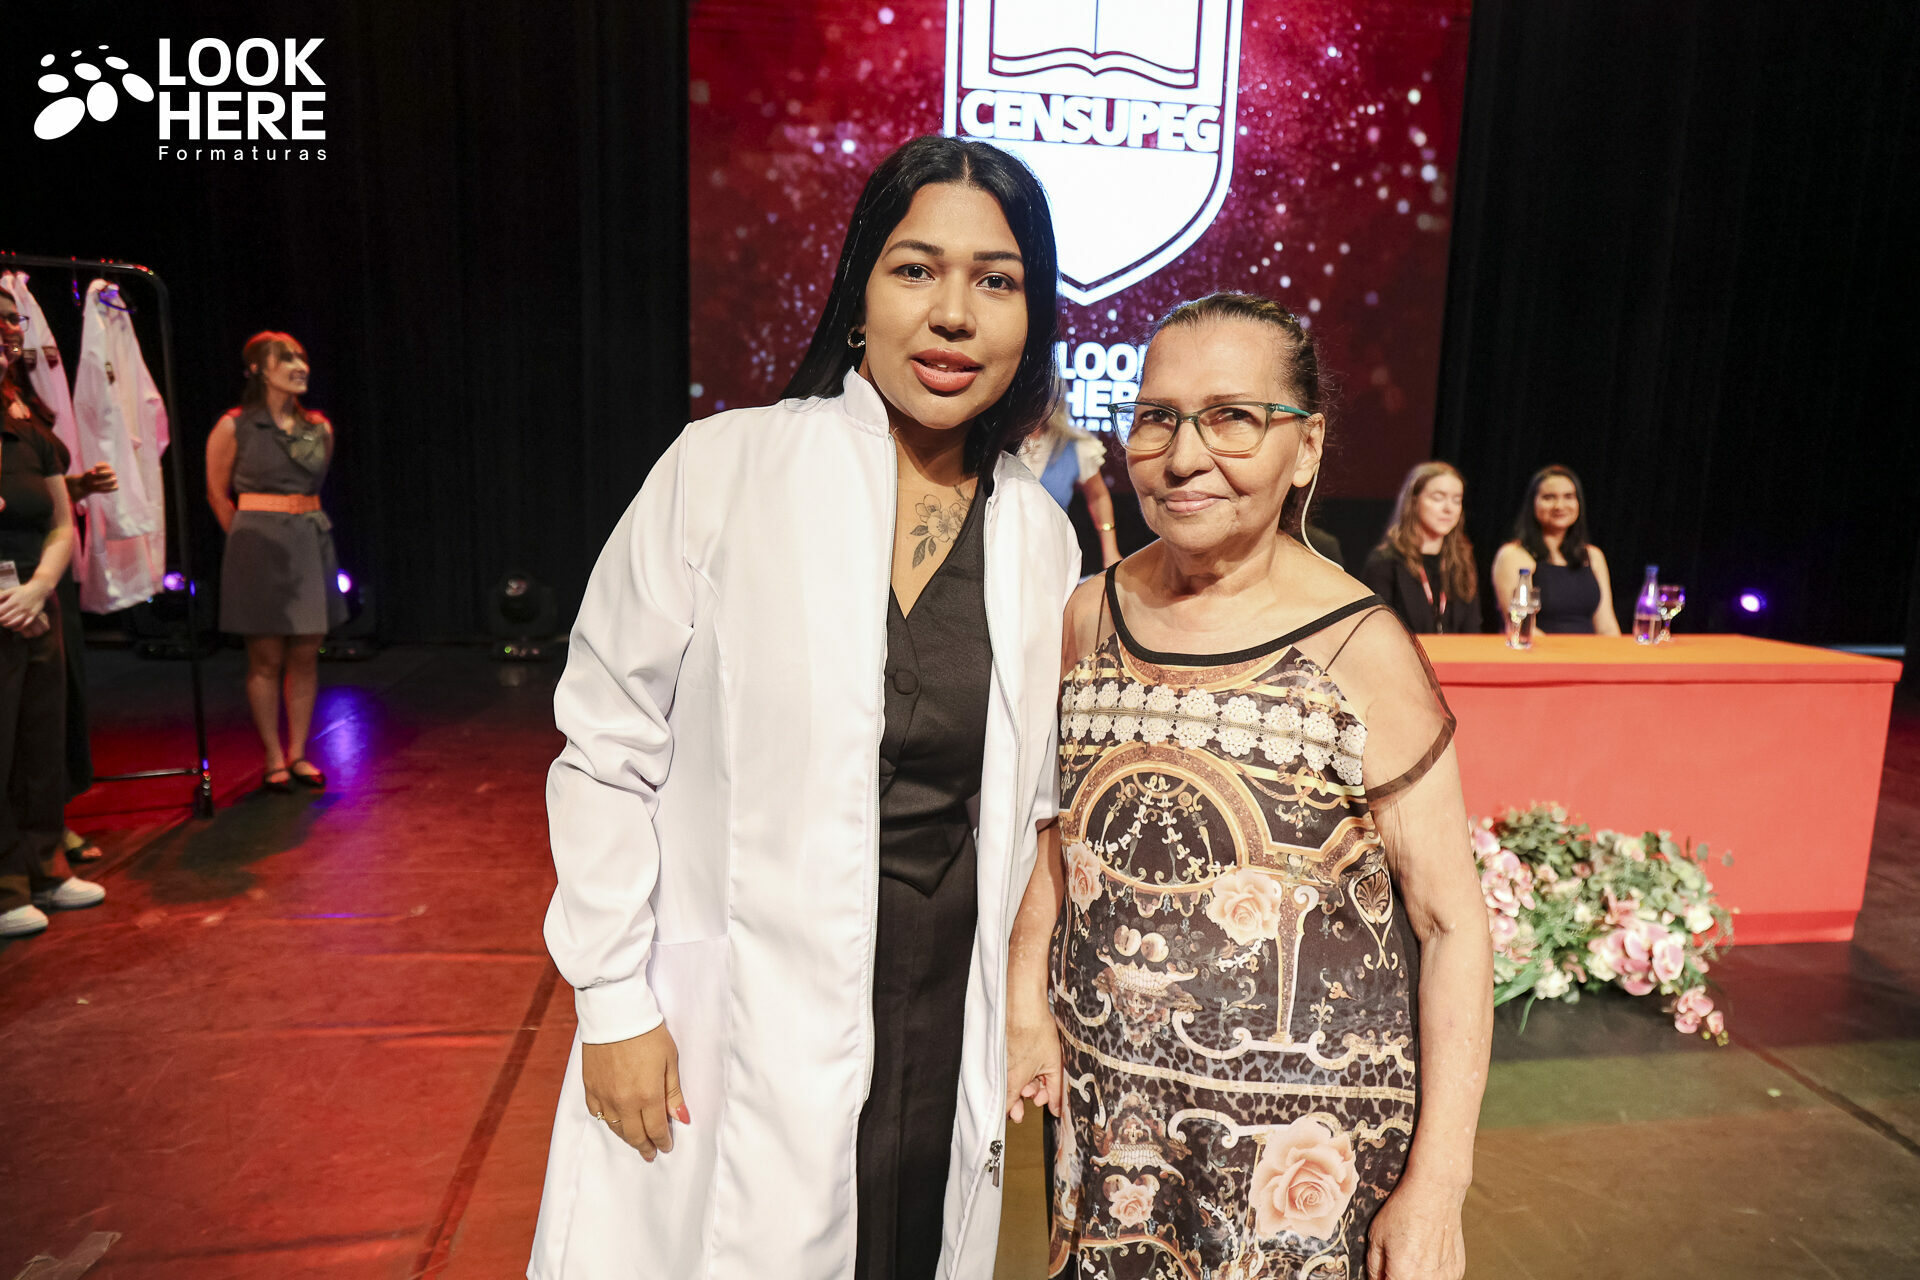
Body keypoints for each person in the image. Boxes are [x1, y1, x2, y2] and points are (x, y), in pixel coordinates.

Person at [531, 135, 1080, 1280]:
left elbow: (1035, 810)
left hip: (939, 1005)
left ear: (1031, 319)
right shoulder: (722, 468)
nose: (953, 314)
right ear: (858, 294)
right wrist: (613, 1000)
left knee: (905, 1248)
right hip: (737, 1015)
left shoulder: (1039, 534)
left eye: (996, 280)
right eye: (916, 269)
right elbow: (606, 747)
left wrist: (1024, 1002)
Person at [1005, 293, 1493, 1280]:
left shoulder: (1358, 646)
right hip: (1110, 1129)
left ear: (1305, 446)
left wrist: (1439, 1183)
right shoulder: (1089, 615)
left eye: (1231, 417)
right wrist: (1025, 1003)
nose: (1184, 457)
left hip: (1302, 1174)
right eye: (1157, 418)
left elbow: (1451, 923)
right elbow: (1059, 837)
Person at [0, 291, 106, 938]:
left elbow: (61, 523)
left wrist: (39, 587)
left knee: (40, 743)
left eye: (10, 320)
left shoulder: (27, 425)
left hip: (34, 601)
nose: (9, 332)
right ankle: (4, 885)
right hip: (2, 604)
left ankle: (44, 867)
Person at [204, 332, 347, 793]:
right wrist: (246, 543)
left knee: (305, 653)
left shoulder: (318, 428)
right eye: (285, 359)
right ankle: (272, 758)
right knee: (265, 656)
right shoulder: (235, 425)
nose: (299, 366)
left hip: (308, 540)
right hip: (258, 546)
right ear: (258, 370)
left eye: (301, 357)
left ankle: (298, 753)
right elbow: (217, 493)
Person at [1491, 464, 1618, 635]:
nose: (1559, 505)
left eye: (1568, 497)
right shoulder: (1513, 555)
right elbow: (1521, 627)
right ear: (1533, 503)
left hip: (1590, 650)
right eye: (1549, 497)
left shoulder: (1593, 556)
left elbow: (1607, 625)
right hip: (1539, 650)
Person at [1363, 461, 1479, 634]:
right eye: (1438, 498)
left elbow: (1472, 630)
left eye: (1456, 500)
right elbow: (1375, 631)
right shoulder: (1385, 562)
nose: (1449, 509)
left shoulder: (1462, 559)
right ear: (1414, 500)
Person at [1019, 393, 1122, 572]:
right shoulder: (997, 441)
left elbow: (1098, 496)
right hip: (1000, 551)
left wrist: (1110, 552)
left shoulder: (1074, 445)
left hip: (1050, 558)